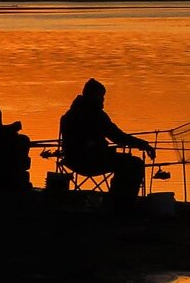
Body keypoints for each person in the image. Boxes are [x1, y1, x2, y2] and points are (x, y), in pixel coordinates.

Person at [59, 78, 155, 209]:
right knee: (135, 164)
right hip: (91, 161)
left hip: (72, 160)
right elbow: (118, 137)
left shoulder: (70, 114)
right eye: (101, 96)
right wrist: (143, 145)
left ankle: (117, 201)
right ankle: (121, 203)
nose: (103, 100)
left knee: (126, 162)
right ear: (93, 96)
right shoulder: (96, 115)